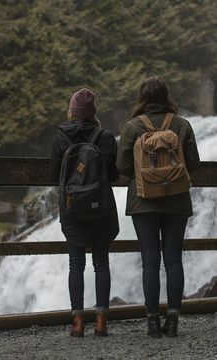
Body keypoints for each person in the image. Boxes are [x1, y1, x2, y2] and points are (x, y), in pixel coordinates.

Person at [117, 77, 200, 338]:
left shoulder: (132, 127)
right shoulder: (182, 124)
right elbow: (194, 164)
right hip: (177, 201)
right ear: (166, 96)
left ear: (142, 97)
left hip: (144, 202)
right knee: (174, 260)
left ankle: (153, 323)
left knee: (150, 262)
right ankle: (173, 320)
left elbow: (122, 167)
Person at [51, 88, 119, 337]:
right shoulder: (106, 137)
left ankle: (77, 321)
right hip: (100, 207)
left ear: (72, 111)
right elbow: (112, 175)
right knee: (101, 264)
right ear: (93, 113)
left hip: (71, 208)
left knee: (75, 265)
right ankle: (101, 320)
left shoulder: (60, 138)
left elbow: (54, 176)